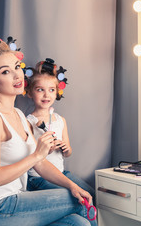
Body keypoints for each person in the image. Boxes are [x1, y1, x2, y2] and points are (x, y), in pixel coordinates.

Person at [0, 34, 93, 226]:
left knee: (78, 222)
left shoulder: (18, 115)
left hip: (15, 201)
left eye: (17, 67)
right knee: (80, 203)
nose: (17, 76)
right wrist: (36, 156)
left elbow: (40, 165)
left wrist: (72, 185)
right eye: (6, 72)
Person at [24, 58, 95, 200]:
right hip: (38, 178)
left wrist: (65, 148)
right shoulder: (27, 122)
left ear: (57, 92)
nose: (46, 95)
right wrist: (45, 150)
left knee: (90, 194)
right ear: (30, 92)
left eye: (51, 90)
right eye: (40, 90)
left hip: (61, 173)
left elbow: (68, 152)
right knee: (75, 198)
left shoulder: (60, 120)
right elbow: (29, 157)